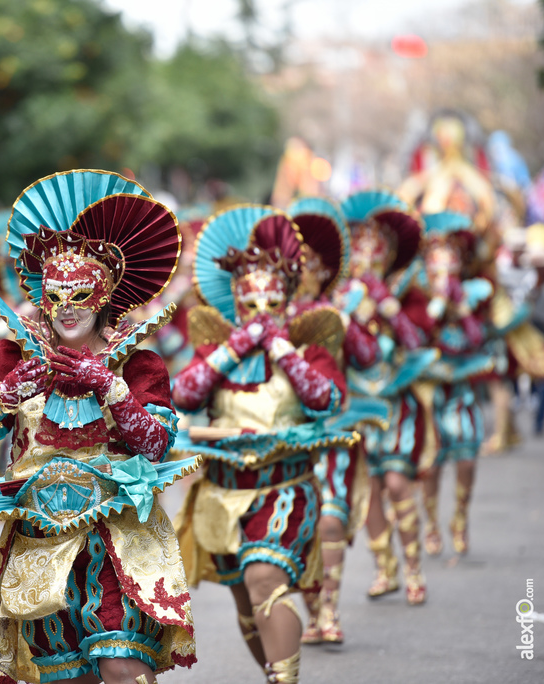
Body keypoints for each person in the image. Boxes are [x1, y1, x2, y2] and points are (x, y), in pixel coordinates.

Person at [0, 170, 197, 684]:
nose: (68, 309)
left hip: (116, 538)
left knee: (123, 664)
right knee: (64, 676)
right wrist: (7, 394)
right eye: (56, 295)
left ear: (106, 294)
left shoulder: (138, 365)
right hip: (37, 538)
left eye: (81, 294)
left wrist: (110, 386)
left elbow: (156, 445)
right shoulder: (8, 357)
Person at [172, 204, 350, 684]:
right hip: (221, 491)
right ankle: (276, 673)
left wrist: (278, 346)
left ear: (290, 299)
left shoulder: (309, 347)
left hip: (284, 487)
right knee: (246, 602)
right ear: (233, 300)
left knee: (264, 579)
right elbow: (184, 393)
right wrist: (236, 346)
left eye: (273, 304)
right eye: (250, 305)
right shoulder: (217, 348)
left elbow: (326, 399)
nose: (262, 315)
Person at [335, 189, 433, 605]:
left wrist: (386, 303)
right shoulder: (339, 293)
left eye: (376, 248)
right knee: (370, 486)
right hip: (357, 402)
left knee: (396, 480)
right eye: (359, 246)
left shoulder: (405, 290)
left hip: (396, 402)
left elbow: (418, 341)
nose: (367, 255)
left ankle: (413, 566)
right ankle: (384, 567)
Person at [286, 197, 376, 645]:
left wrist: (347, 320)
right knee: (296, 530)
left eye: (308, 263)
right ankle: (313, 609)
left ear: (323, 270)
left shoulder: (339, 307)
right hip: (285, 435)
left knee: (330, 519)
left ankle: (329, 611)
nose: (300, 271)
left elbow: (368, 356)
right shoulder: (269, 316)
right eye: (293, 262)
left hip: (335, 431)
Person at [416, 212, 495, 557]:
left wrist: (460, 308)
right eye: (437, 271)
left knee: (466, 461)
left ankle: (460, 518)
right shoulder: (418, 301)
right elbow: (415, 338)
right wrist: (435, 307)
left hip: (461, 392)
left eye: (450, 270)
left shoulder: (472, 296)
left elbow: (479, 339)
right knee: (430, 465)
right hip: (429, 392)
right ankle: (431, 523)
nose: (443, 278)